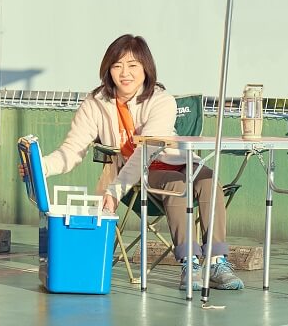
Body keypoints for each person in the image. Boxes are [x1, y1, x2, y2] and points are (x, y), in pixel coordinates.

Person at [24, 34, 243, 292]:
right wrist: (40, 167)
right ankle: (190, 263)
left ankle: (217, 263)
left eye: (132, 65)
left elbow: (148, 148)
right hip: (141, 173)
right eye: (117, 66)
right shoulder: (95, 103)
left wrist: (115, 190)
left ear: (145, 68)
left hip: (172, 161)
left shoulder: (162, 100)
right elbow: (73, 149)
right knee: (176, 187)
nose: (125, 73)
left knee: (209, 181)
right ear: (108, 70)